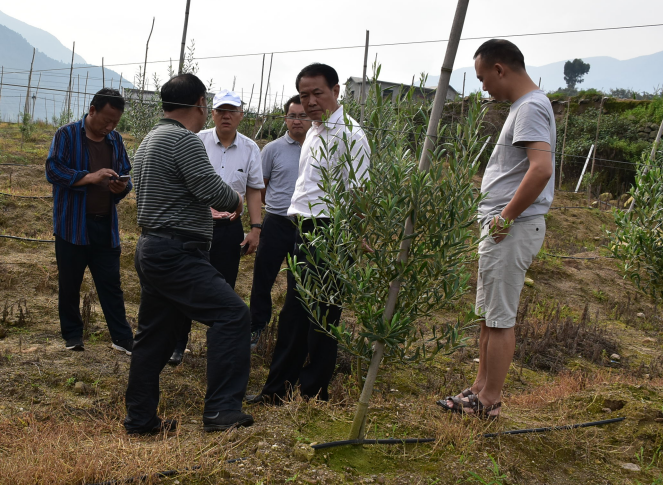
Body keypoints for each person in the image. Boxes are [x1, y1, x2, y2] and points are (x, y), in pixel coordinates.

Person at [124, 73, 254, 435]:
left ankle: (140, 420)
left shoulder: (150, 139)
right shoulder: (184, 141)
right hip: (177, 251)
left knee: (153, 337)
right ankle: (221, 411)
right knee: (232, 315)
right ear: (200, 103)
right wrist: (237, 201)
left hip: (153, 247)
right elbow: (214, 191)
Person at [438, 39, 555, 419]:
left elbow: (541, 169)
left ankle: (489, 402)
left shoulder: (532, 107)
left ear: (500, 69)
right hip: (503, 227)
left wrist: (505, 217)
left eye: (483, 78)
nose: (484, 87)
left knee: (501, 317)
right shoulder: (525, 107)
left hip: (512, 227)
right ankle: (477, 389)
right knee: (489, 315)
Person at [247, 63, 370, 404]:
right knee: (295, 311)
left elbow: (360, 193)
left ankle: (313, 390)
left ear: (336, 91)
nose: (311, 101)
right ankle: (280, 388)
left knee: (323, 313)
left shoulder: (351, 135)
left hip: (330, 230)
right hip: (302, 227)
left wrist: (355, 236)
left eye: (317, 93)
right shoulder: (315, 130)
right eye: (304, 95)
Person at [168, 89, 264, 366]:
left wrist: (256, 228)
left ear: (241, 116)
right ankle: (178, 343)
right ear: (212, 113)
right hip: (196, 226)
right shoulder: (196, 141)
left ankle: (218, 348)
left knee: (224, 287)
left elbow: (254, 190)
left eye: (232, 111)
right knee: (187, 283)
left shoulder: (249, 148)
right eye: (221, 110)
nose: (226, 116)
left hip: (228, 228)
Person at [45, 88, 134, 354]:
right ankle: (73, 336)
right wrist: (89, 177)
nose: (109, 126)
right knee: (70, 284)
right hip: (72, 225)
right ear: (92, 110)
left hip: (105, 226)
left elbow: (126, 173)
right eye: (106, 119)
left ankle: (122, 338)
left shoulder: (115, 141)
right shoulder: (67, 135)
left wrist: (121, 188)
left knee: (111, 285)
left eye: (115, 122)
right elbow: (53, 169)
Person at [248, 94, 312, 349]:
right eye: (292, 116)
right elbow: (259, 188)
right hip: (276, 222)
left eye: (302, 116)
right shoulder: (272, 149)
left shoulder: (319, 147)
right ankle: (256, 327)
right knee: (263, 276)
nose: (297, 121)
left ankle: (296, 332)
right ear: (285, 118)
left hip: (309, 226)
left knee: (302, 281)